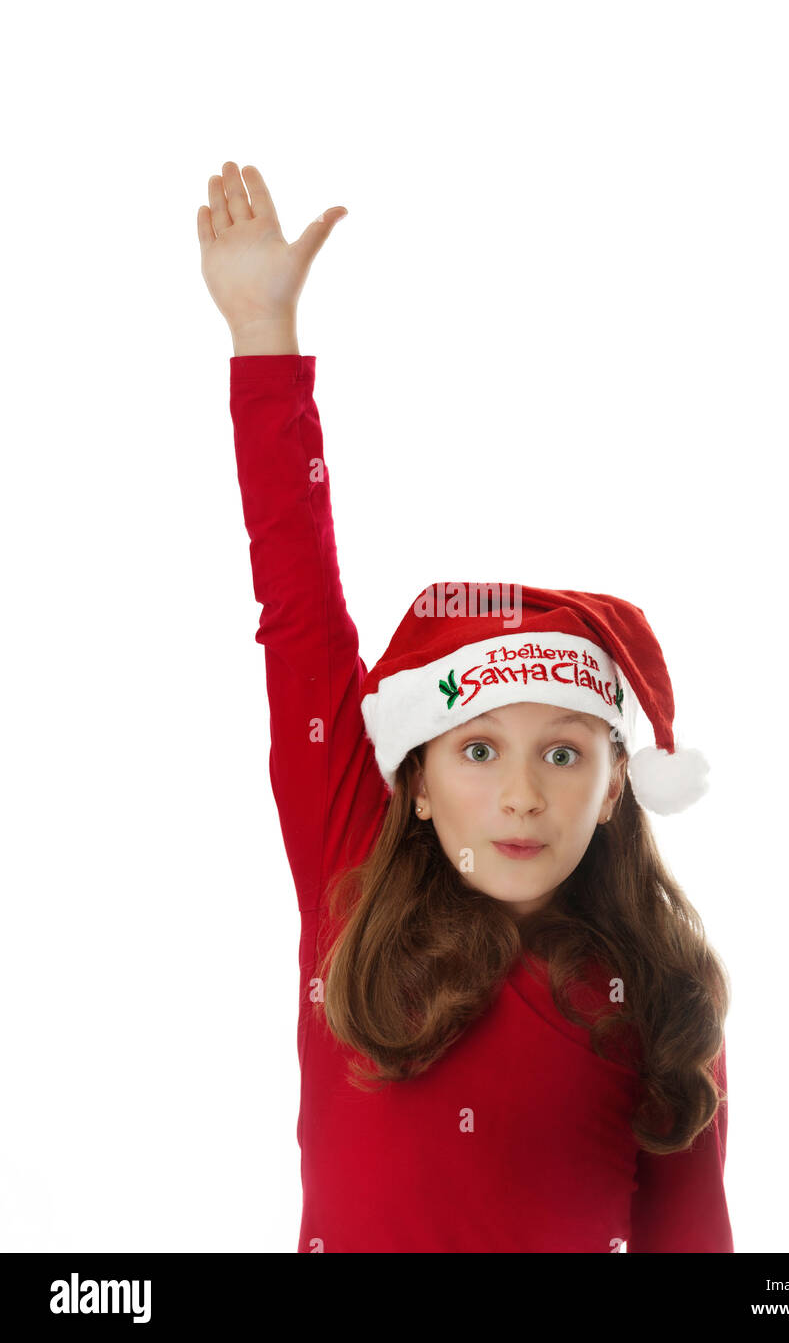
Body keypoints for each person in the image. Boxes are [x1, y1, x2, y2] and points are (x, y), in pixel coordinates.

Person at [198, 161, 734, 1253]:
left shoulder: (659, 998)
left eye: (566, 755)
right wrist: (265, 333)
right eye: (480, 749)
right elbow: (299, 606)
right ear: (421, 785)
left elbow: (696, 1243)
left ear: (619, 780)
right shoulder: (350, 873)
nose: (524, 794)